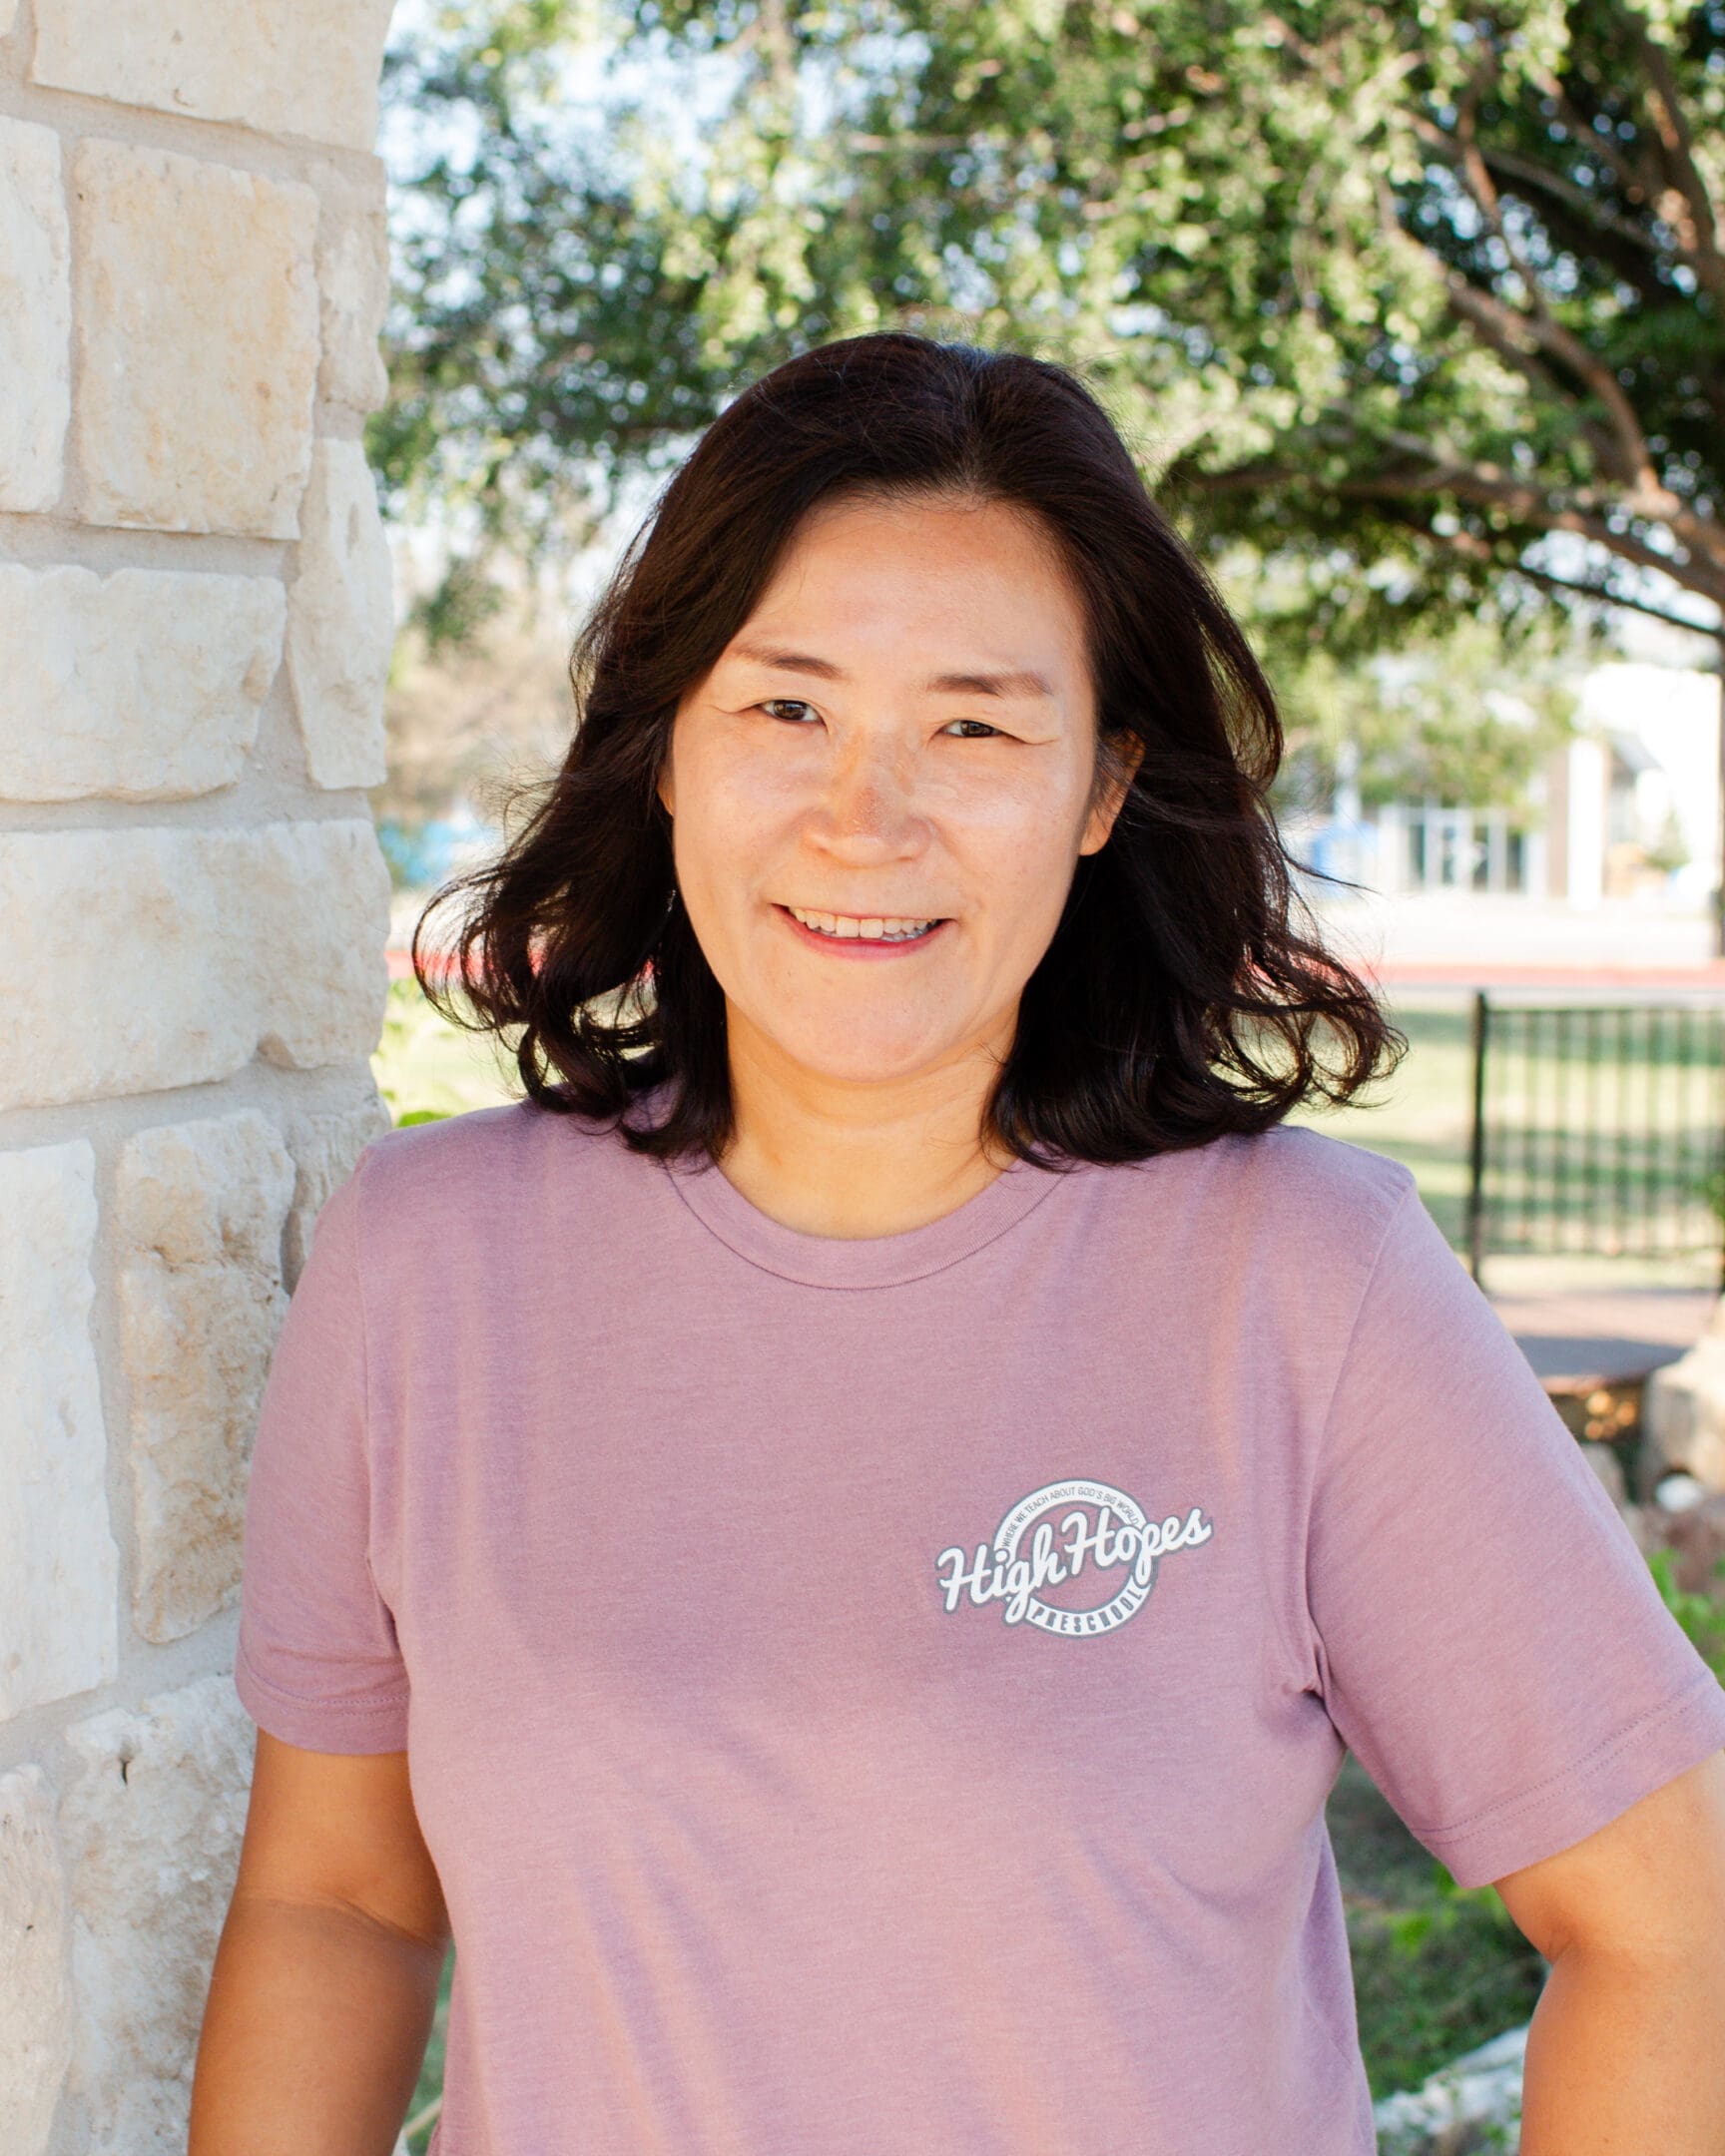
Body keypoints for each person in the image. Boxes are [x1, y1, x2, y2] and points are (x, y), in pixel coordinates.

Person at [192, 333, 1725, 2155]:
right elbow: (340, 1906)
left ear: (1098, 788)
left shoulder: (1309, 1289)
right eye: (788, 709)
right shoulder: (426, 1270)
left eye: (976, 726)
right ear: (666, 746)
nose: (867, 817)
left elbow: (1673, 1928)